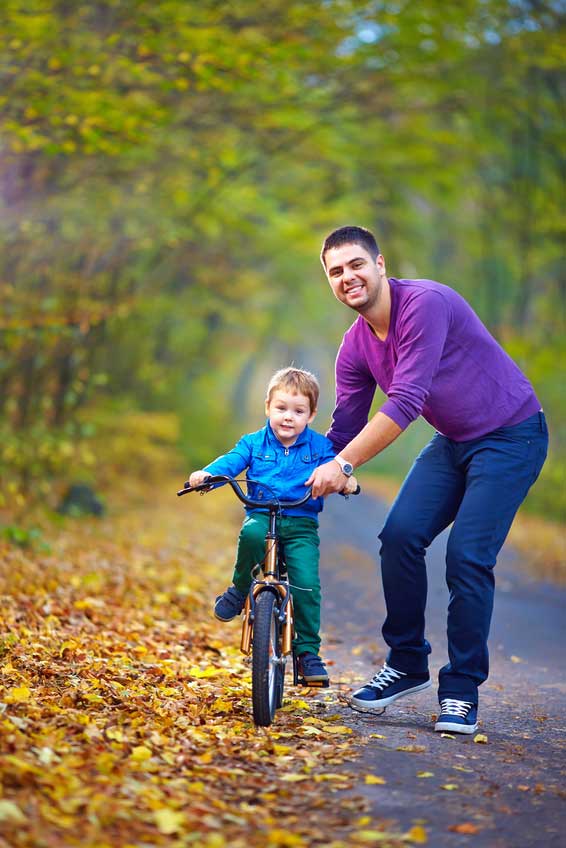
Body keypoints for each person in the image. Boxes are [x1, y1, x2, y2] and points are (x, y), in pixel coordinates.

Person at [306, 225, 548, 733]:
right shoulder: (354, 347)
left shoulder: (426, 304)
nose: (347, 277)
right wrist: (297, 467)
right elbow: (345, 427)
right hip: (454, 441)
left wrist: (345, 467)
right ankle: (408, 662)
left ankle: (460, 692)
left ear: (380, 264)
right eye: (335, 271)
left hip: (511, 436)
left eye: (355, 264)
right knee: (398, 536)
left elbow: (406, 402)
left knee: (467, 556)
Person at [188, 366, 358, 685]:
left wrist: (346, 480)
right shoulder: (253, 443)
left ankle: (307, 653)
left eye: (298, 411)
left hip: (301, 523)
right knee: (250, 533)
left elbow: (338, 467)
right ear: (268, 406)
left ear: (311, 414)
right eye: (281, 408)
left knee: (306, 582)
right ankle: (240, 589)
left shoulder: (320, 448)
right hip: (262, 515)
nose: (288, 417)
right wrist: (207, 475)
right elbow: (231, 461)